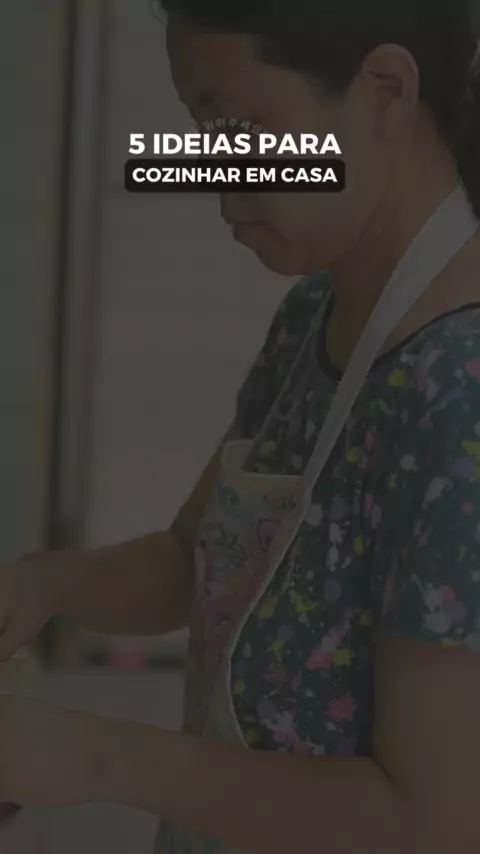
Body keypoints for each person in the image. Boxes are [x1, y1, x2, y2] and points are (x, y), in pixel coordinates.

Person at [1, 1, 480, 852]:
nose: (218, 176)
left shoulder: (461, 391)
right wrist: (43, 586)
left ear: (383, 90)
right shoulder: (313, 319)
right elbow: (196, 562)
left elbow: (435, 822)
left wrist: (98, 757)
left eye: (241, 128)